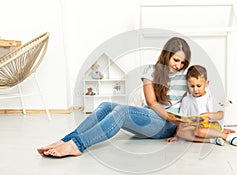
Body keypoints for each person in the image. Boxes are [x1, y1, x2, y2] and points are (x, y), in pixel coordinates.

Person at [37, 36, 192, 157]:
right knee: (105, 106)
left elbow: (196, 104)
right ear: (166, 56)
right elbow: (151, 102)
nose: (178, 65)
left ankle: (77, 145)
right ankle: (66, 140)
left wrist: (179, 126)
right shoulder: (151, 71)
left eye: (182, 63)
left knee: (122, 112)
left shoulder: (186, 79)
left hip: (167, 125)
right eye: (175, 60)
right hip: (151, 117)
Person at [166, 65, 237, 146]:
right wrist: (176, 135)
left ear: (206, 84)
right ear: (187, 84)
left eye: (198, 86)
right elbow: (182, 120)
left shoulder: (210, 99)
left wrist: (210, 115)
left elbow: (221, 115)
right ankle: (212, 140)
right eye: (192, 86)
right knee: (181, 132)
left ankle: (225, 136)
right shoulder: (186, 100)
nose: (195, 89)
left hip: (210, 126)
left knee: (199, 131)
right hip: (195, 127)